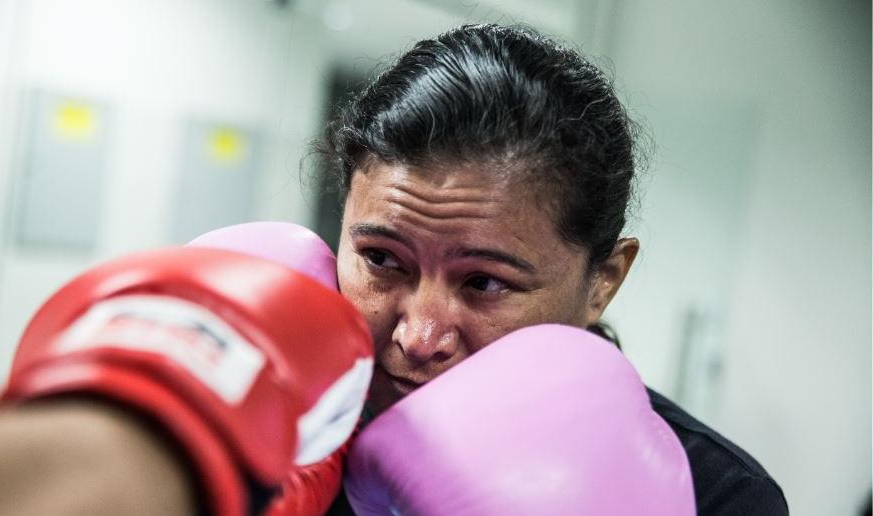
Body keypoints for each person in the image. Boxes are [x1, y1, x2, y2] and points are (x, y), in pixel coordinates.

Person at [316, 23, 788, 515]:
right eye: (382, 259)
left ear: (601, 284)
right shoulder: (285, 435)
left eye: (484, 282)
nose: (418, 336)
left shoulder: (719, 496)